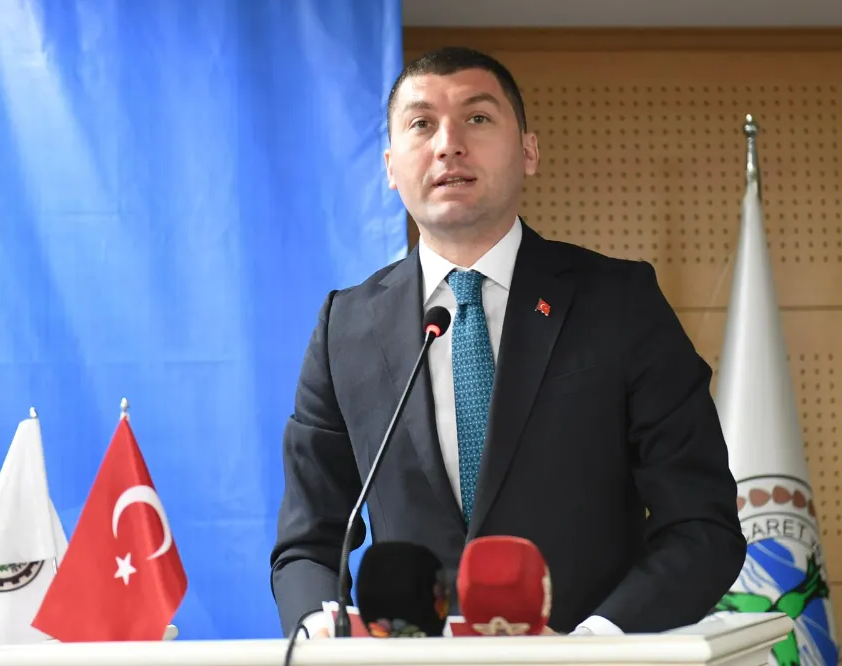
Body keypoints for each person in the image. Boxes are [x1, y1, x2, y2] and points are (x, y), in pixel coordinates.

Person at [269, 46, 746, 638]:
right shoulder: (345, 328)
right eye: (422, 124)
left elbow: (701, 523)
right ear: (390, 167)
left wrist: (595, 645)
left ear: (528, 151)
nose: (448, 144)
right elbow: (308, 544)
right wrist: (321, 634)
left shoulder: (620, 304)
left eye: (477, 117)